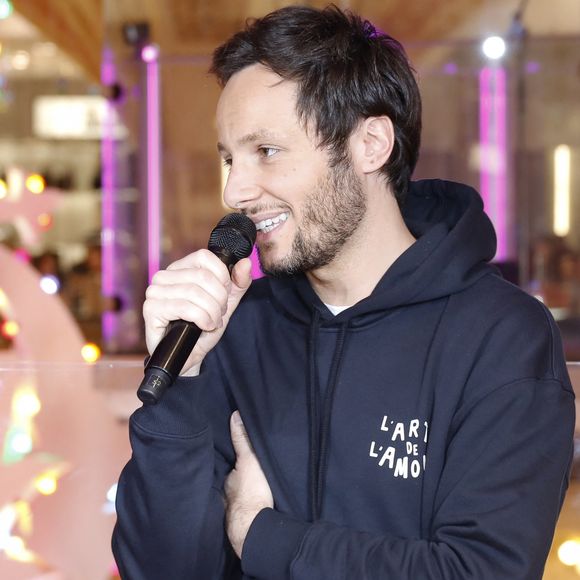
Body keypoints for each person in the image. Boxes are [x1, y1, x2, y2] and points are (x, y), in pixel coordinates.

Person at [112, 5, 575, 579]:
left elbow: (480, 571)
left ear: (370, 144)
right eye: (230, 157)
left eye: (267, 151)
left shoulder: (501, 337)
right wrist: (180, 387)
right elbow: (162, 570)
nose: (236, 190)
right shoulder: (235, 330)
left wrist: (263, 536)